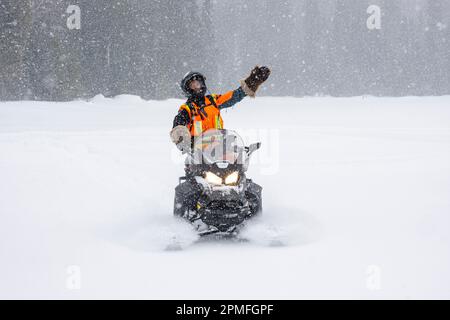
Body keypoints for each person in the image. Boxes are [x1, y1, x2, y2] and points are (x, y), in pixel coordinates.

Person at [170, 66, 271, 152]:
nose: (197, 87)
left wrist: (252, 81)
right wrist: (180, 137)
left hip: (220, 150)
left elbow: (234, 96)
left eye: (198, 83)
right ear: (188, 89)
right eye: (193, 85)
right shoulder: (188, 108)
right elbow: (178, 123)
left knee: (238, 168)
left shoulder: (213, 101)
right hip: (198, 153)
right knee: (191, 171)